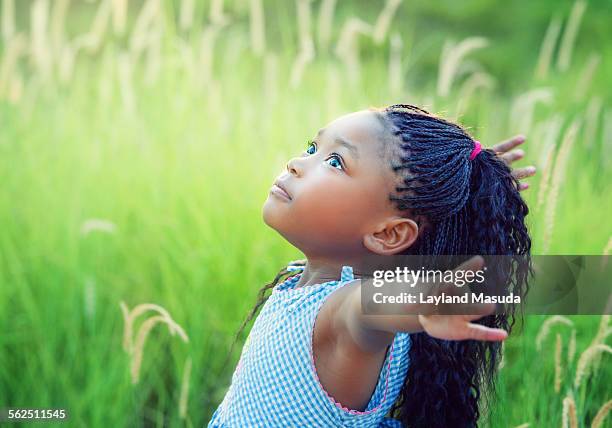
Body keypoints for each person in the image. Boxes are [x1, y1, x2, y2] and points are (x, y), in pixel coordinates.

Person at [209, 104, 536, 427]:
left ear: (389, 233)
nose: (295, 164)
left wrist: (429, 299)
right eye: (312, 147)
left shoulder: (342, 314)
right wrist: (468, 189)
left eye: (335, 161)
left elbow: (376, 305)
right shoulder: (309, 282)